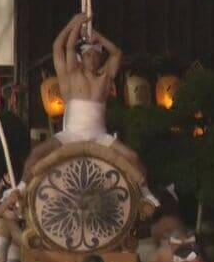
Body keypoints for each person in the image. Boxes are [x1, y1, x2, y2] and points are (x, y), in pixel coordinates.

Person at [21, 13, 144, 183]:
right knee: (36, 154)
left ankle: (145, 195)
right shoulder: (73, 74)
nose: (92, 59)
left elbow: (116, 54)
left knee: (133, 157)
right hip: (71, 134)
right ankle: (20, 189)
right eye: (87, 55)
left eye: (95, 55)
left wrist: (97, 37)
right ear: (82, 58)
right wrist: (74, 24)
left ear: (100, 58)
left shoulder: (105, 77)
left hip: (98, 135)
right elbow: (62, 46)